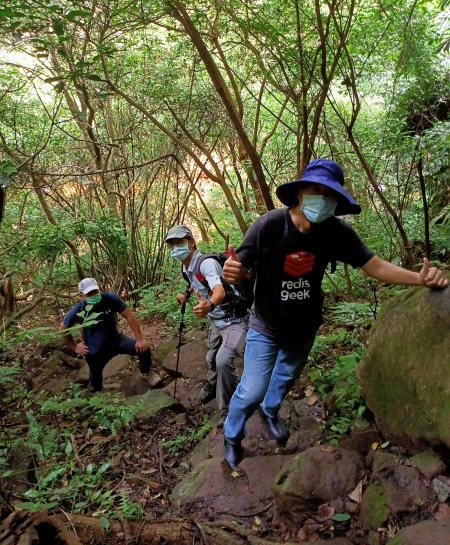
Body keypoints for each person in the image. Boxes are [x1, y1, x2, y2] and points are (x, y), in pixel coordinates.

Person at [221, 158, 449, 468]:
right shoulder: (270, 225)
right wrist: (232, 272)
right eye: (317, 190)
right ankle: (232, 437)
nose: (323, 199)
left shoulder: (336, 233)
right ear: (300, 192)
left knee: (286, 377)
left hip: (304, 327)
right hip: (266, 325)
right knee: (251, 390)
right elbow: (239, 269)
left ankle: (271, 411)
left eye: (330, 195)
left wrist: (419, 279)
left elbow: (375, 266)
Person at [165, 225, 249, 422]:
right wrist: (185, 295)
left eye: (179, 243)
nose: (175, 248)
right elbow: (196, 283)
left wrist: (209, 306)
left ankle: (229, 410)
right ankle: (213, 385)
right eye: (172, 245)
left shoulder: (206, 264)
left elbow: (218, 290)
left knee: (223, 361)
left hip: (235, 319)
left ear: (191, 243)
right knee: (211, 358)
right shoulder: (187, 267)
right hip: (217, 321)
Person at [61, 277, 157, 392]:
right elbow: (63, 329)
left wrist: (140, 339)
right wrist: (74, 346)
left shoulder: (110, 298)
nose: (93, 295)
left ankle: (145, 373)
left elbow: (129, 316)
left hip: (117, 341)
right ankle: (97, 397)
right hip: (95, 350)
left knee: (144, 349)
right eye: (89, 294)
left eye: (95, 292)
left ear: (99, 290)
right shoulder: (79, 309)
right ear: (82, 296)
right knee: (95, 382)